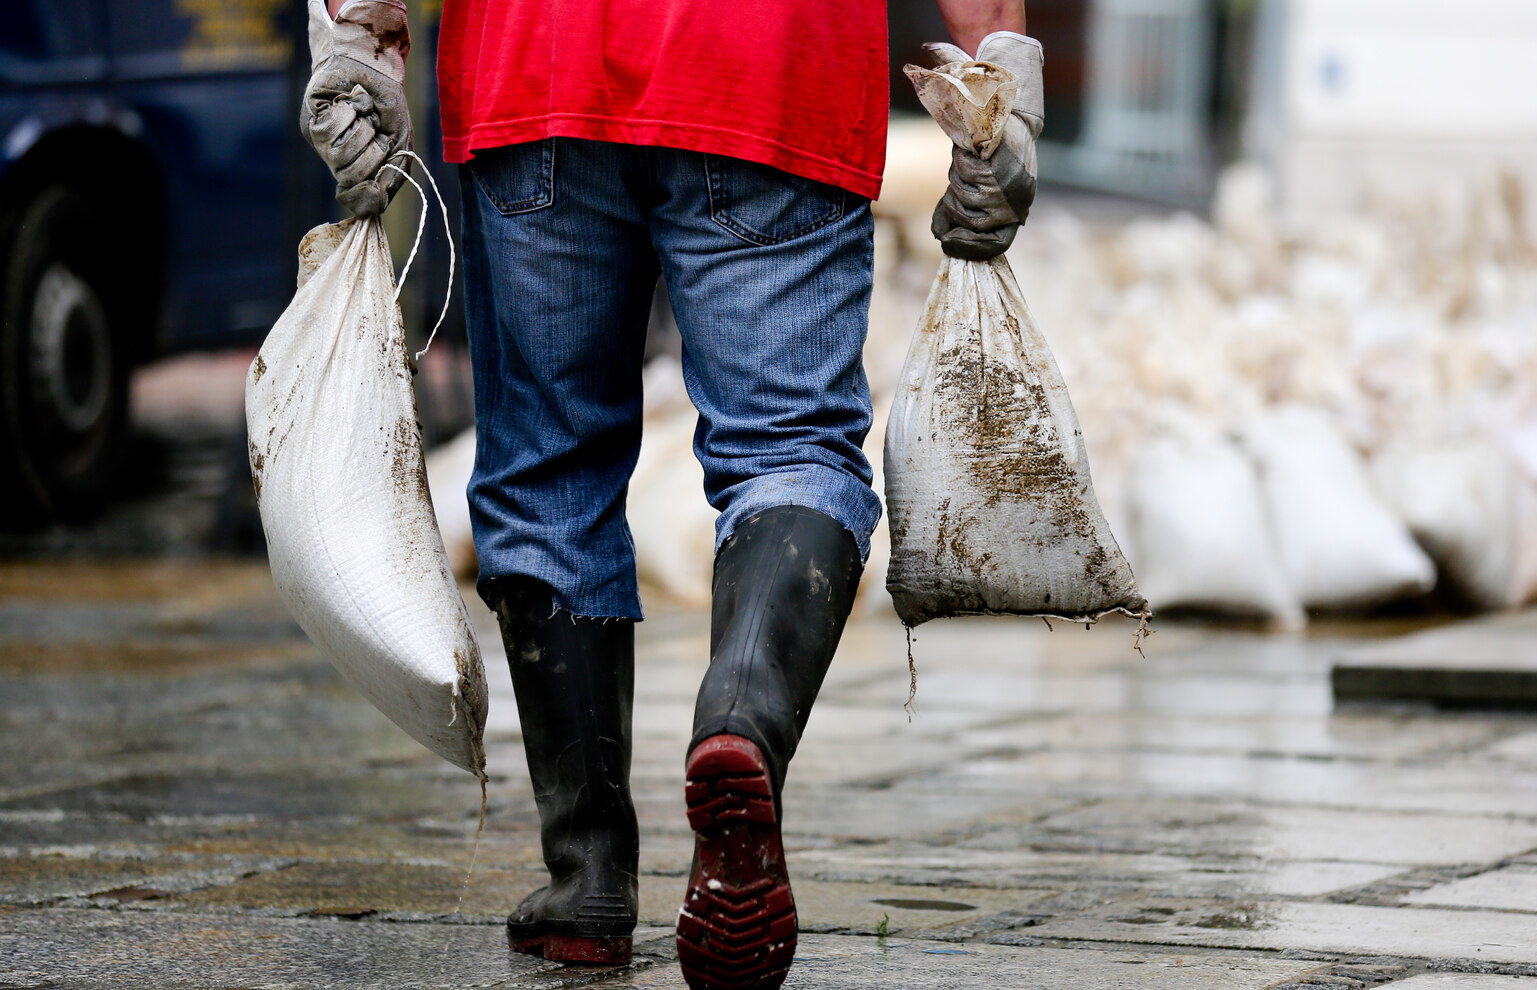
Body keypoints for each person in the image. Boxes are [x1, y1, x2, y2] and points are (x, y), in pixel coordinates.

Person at [299, 0, 1042, 986]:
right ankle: (738, 725)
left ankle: (587, 883)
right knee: (789, 447)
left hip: (536, 66)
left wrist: (359, 44)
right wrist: (999, 81)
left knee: (547, 468)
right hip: (775, 63)